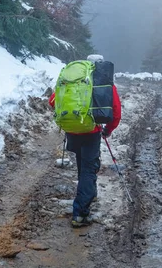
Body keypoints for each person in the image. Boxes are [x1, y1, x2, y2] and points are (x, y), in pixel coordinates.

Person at [49, 55, 121, 227]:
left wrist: (71, 117)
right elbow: (116, 113)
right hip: (91, 132)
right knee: (89, 170)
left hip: (73, 131)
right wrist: (107, 130)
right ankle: (80, 213)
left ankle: (88, 194)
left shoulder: (73, 79)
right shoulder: (103, 83)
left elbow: (53, 101)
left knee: (83, 167)